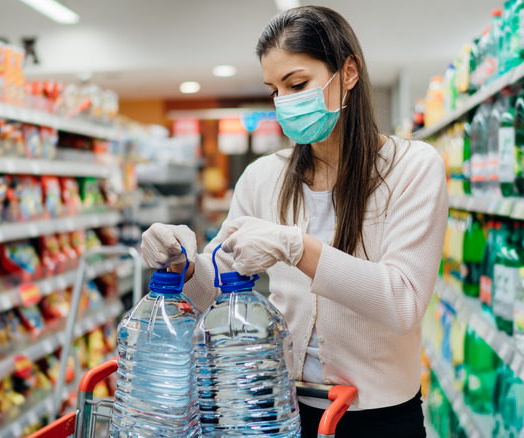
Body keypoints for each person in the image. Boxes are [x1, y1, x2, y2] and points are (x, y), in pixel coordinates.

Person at [141, 5, 447, 437]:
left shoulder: (413, 167)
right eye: (275, 90)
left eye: (297, 84)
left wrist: (298, 247)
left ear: (349, 72)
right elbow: (216, 281)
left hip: (378, 417)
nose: (285, 102)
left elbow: (403, 302)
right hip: (278, 409)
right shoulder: (264, 177)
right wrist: (182, 263)